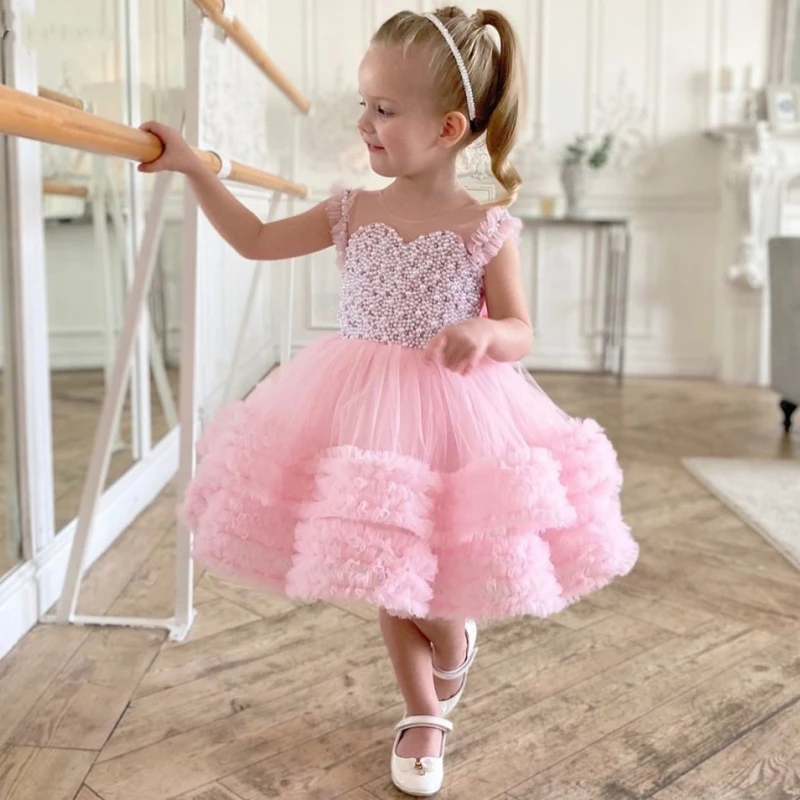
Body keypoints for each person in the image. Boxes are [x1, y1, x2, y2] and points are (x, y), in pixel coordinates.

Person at [139, 6, 638, 796]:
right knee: (387, 568)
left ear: (446, 129)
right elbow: (256, 241)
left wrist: (485, 335)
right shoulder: (351, 211)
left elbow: (521, 329)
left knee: (430, 573)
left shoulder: (485, 225)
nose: (364, 122)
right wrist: (196, 167)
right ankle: (423, 713)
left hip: (455, 410)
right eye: (363, 103)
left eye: (384, 109)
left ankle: (452, 644)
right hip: (359, 406)